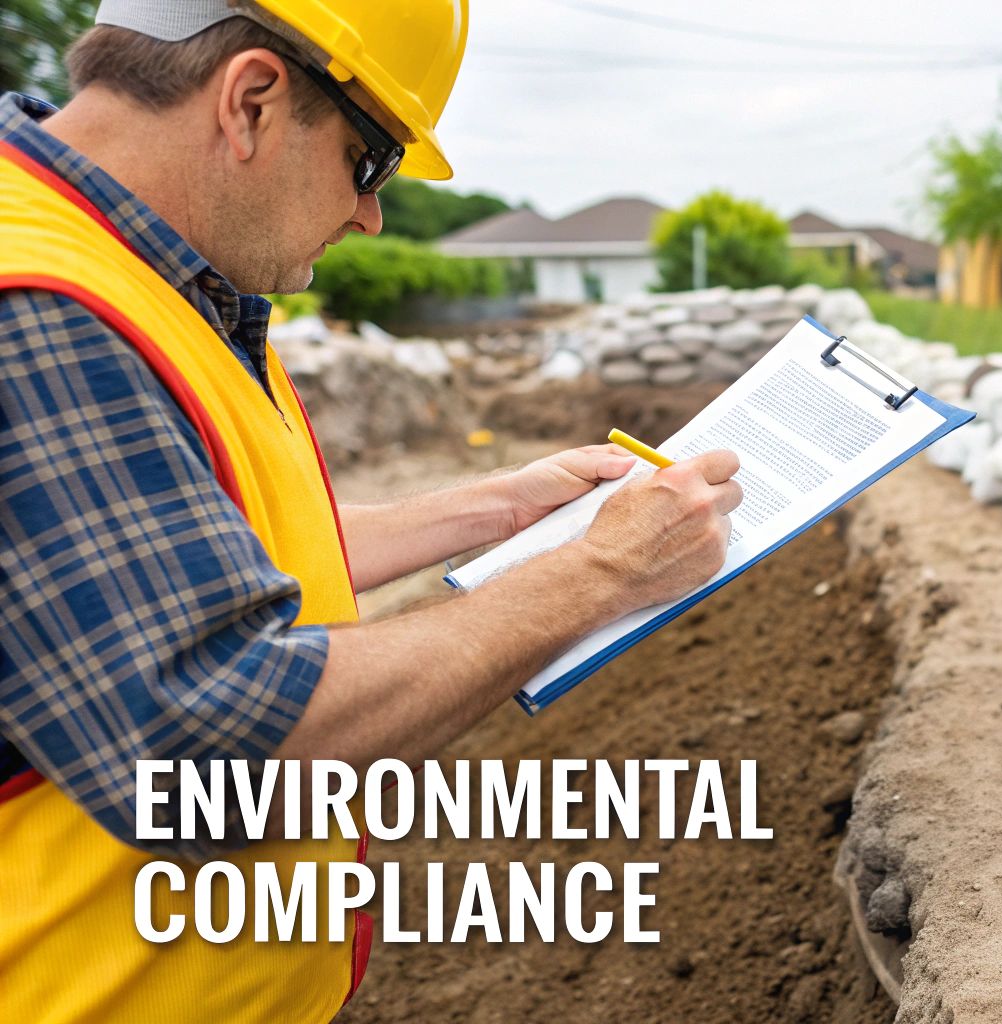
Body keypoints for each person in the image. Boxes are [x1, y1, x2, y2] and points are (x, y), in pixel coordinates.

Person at [0, 2, 742, 1021]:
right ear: (252, 99)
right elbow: (198, 744)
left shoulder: (138, 274)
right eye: (370, 160)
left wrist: (497, 505)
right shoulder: (35, 308)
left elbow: (195, 564)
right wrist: (599, 573)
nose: (370, 217)